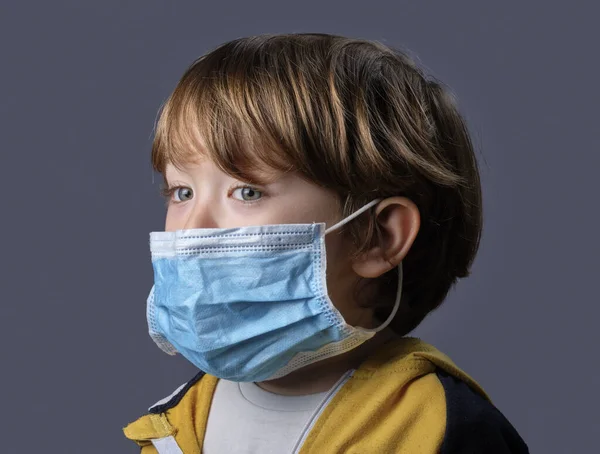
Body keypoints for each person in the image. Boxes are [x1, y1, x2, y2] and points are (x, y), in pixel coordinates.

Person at [123, 33, 529, 453]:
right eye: (182, 192)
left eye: (247, 192)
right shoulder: (177, 422)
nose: (193, 230)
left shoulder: (441, 430)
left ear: (378, 236)